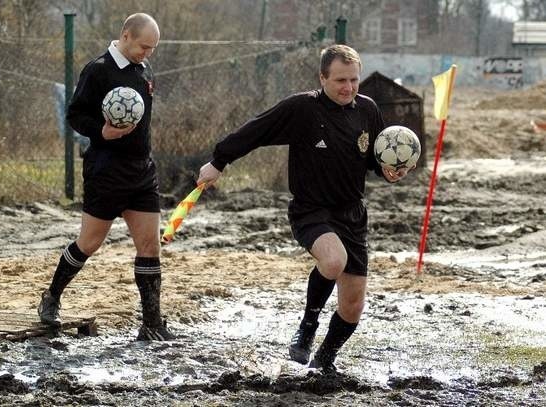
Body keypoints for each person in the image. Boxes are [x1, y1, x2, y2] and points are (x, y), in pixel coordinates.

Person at [196, 44, 413, 372]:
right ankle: (307, 327)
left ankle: (324, 361)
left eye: (354, 80)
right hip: (311, 211)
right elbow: (256, 130)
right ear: (322, 77)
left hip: (352, 214)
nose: (348, 87)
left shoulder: (367, 110)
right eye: (340, 80)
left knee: (353, 306)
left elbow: (373, 159)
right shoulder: (303, 108)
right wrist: (218, 160)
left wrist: (390, 170)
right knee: (334, 259)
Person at [38, 13, 172, 341]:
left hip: (141, 171)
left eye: (152, 48)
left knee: (150, 246)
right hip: (105, 170)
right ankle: (52, 297)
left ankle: (152, 323)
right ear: (125, 35)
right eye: (144, 46)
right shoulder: (97, 70)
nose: (148, 53)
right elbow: (74, 115)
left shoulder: (144, 69)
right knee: (90, 242)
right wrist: (101, 131)